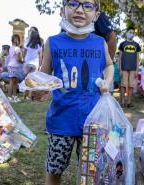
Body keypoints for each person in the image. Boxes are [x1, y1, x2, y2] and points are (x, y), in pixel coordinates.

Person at [34, 0, 113, 184]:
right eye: (73, 3)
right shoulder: (52, 42)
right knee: (54, 169)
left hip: (92, 122)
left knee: (90, 172)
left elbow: (109, 64)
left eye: (87, 5)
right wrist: (38, 88)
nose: (79, 10)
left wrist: (108, 82)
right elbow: (43, 74)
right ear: (63, 9)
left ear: (97, 14)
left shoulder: (100, 43)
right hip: (61, 121)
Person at [118, 27, 141, 108]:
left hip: (133, 68)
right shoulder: (122, 44)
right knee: (124, 85)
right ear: (126, 33)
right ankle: (123, 102)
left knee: (131, 85)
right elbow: (120, 57)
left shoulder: (136, 45)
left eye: (133, 32)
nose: (131, 34)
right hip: (124, 68)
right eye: (130, 32)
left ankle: (129, 102)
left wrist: (137, 69)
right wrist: (120, 68)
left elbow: (138, 58)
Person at [23, 26, 42, 100]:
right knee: (33, 80)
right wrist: (40, 65)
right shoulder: (38, 45)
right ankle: (30, 96)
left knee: (26, 79)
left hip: (27, 63)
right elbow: (40, 56)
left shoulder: (27, 43)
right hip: (35, 63)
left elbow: (24, 52)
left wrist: (24, 60)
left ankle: (24, 95)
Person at [7, 34, 24, 103]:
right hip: (15, 66)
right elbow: (18, 59)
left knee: (15, 82)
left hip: (11, 66)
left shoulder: (11, 48)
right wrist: (23, 61)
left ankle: (14, 96)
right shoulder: (17, 48)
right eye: (16, 39)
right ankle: (10, 97)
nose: (17, 41)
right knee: (12, 82)